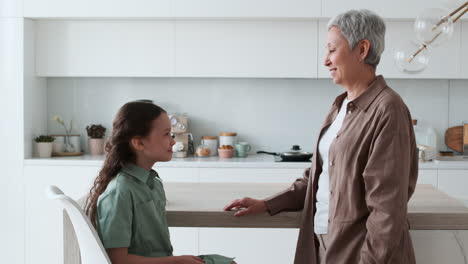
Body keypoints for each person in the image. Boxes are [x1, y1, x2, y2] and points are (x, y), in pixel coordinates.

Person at [224, 9, 418, 264]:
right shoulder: (341, 106)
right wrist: (268, 204)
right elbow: (319, 177)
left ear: (361, 50)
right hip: (325, 242)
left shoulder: (387, 109)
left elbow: (387, 210)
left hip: (360, 251)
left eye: (331, 50)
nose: (325, 60)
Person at [85, 101, 236, 264]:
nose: (172, 141)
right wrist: (176, 261)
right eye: (166, 134)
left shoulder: (153, 183)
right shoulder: (119, 191)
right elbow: (118, 261)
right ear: (139, 143)